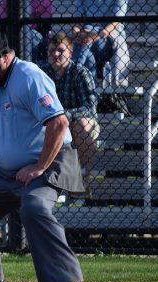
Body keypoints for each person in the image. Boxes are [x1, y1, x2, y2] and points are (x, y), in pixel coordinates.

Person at [0, 26, 86, 282]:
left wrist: (40, 165)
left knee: (35, 206)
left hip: (50, 163)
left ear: (4, 57)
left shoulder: (27, 75)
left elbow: (59, 122)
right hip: (8, 172)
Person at [40, 32, 100, 193]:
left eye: (61, 50)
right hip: (50, 122)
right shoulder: (41, 74)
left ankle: (83, 174)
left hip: (77, 122)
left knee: (82, 124)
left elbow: (90, 107)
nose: (56, 54)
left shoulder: (80, 72)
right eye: (52, 50)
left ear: (70, 53)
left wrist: (66, 115)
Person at [71, 0, 130, 86]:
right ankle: (90, 87)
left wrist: (94, 36)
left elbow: (115, 23)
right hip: (86, 36)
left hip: (109, 36)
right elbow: (77, 23)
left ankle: (75, 68)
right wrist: (76, 34)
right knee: (88, 55)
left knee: (88, 33)